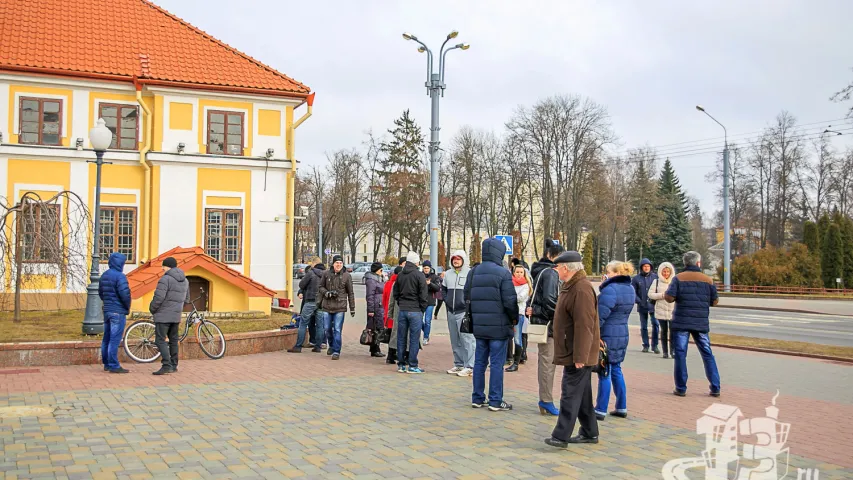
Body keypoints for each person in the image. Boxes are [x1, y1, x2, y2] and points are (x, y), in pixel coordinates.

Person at [544, 251, 601, 448]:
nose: (556, 270)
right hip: (574, 350)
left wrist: (580, 356)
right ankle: (589, 432)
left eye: (558, 267)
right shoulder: (572, 286)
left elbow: (585, 325)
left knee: (569, 393)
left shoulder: (581, 289)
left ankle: (561, 436)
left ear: (566, 268)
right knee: (582, 394)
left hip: (578, 353)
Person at [465, 237, 517, 411]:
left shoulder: (473, 272)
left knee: (479, 362)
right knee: (496, 363)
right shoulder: (503, 273)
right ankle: (495, 400)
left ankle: (477, 397)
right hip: (499, 325)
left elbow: (467, 296)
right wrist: (514, 319)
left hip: (479, 324)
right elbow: (510, 301)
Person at [665, 251, 721, 397]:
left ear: (685, 263)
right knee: (707, 353)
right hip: (701, 322)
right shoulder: (708, 280)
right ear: (698, 263)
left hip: (682, 322)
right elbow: (714, 301)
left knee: (681, 355)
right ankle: (715, 386)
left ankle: (681, 387)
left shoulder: (678, 278)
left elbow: (669, 298)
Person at [527, 238, 565, 416]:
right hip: (549, 325)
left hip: (545, 322)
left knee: (547, 362)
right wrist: (560, 316)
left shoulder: (543, 272)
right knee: (547, 363)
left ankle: (546, 399)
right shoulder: (550, 273)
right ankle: (546, 400)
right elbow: (550, 300)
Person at [594, 261, 635, 421]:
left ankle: (600, 409)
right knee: (616, 369)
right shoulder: (630, 288)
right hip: (622, 332)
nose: (606, 274)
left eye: (608, 272)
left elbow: (600, 315)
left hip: (608, 334)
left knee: (604, 371)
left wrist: (595, 335)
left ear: (616, 273)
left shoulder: (610, 290)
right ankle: (621, 406)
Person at [149, 256, 190, 376]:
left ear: (167, 266)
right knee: (173, 340)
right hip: (176, 315)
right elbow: (186, 299)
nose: (162, 268)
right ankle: (174, 365)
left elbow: (158, 298)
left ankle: (166, 365)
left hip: (163, 315)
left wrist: (152, 308)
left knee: (160, 340)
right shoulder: (185, 280)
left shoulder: (165, 279)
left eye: (163, 266)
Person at [441, 251, 475, 377]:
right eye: (454, 259)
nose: (456, 261)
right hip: (451, 311)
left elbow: (473, 290)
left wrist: (468, 305)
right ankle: (459, 363)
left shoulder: (469, 273)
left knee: (467, 339)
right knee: (455, 340)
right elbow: (443, 289)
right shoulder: (448, 274)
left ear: (463, 260)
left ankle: (470, 365)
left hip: (463, 312)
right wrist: (446, 300)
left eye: (458, 259)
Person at [393, 252, 428, 373]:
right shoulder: (419, 275)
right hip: (415, 310)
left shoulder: (400, 275)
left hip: (403, 310)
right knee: (414, 338)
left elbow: (395, 293)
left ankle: (401, 364)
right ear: (416, 262)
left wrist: (401, 303)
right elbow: (423, 295)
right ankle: (412, 365)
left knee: (401, 337)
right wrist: (422, 308)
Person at [98, 252, 131, 374]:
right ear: (120, 263)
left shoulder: (104, 275)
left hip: (107, 310)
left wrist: (107, 303)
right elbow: (125, 294)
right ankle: (113, 365)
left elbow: (101, 292)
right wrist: (127, 307)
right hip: (117, 311)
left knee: (106, 338)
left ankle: (106, 363)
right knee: (114, 339)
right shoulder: (120, 276)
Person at [318, 255, 356, 360]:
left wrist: (352, 308)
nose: (338, 265)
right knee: (327, 328)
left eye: (340, 263)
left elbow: (350, 293)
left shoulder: (346, 276)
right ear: (333, 264)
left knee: (338, 330)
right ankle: (331, 345)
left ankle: (336, 351)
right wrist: (327, 293)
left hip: (340, 307)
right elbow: (320, 287)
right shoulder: (326, 274)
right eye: (336, 263)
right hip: (327, 305)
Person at [290, 258, 325, 353]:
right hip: (321, 302)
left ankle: (298, 346)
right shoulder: (326, 274)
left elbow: (301, 284)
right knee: (320, 326)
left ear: (314, 264)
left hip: (310, 301)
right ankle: (318, 346)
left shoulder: (311, 273)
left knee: (303, 323)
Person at [506, 265, 531, 373]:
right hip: (507, 313)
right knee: (506, 337)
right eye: (517, 272)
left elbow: (521, 298)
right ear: (514, 273)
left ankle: (516, 363)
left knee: (517, 338)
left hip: (518, 314)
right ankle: (506, 358)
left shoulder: (526, 285)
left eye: (521, 272)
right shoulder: (509, 283)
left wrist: (510, 297)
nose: (519, 274)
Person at [647, 262, 676, 358]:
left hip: (672, 310)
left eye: (668, 272)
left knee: (673, 332)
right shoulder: (656, 282)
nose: (666, 274)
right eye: (664, 271)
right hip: (661, 309)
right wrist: (662, 295)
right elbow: (650, 294)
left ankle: (673, 351)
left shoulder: (674, 281)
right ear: (660, 272)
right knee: (663, 331)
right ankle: (665, 352)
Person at [632, 258, 660, 354]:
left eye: (648, 266)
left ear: (650, 267)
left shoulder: (655, 277)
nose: (646, 268)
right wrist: (639, 301)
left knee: (655, 325)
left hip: (653, 306)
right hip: (642, 306)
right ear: (641, 267)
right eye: (645, 266)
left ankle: (655, 345)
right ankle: (645, 345)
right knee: (644, 326)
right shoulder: (636, 279)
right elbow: (633, 292)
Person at [383, 261, 404, 364]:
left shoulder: (388, 283)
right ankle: (397, 355)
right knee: (397, 335)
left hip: (388, 312)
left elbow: (384, 299)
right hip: (396, 312)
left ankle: (390, 355)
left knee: (391, 335)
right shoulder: (399, 284)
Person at [364, 262, 386, 358]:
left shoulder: (378, 278)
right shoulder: (372, 280)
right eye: (381, 270)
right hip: (375, 307)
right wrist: (371, 310)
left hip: (379, 306)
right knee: (375, 328)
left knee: (377, 327)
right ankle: (375, 348)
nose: (382, 272)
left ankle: (374, 348)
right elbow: (370, 296)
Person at [421, 260, 442, 345]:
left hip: (430, 301)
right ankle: (425, 331)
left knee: (427, 320)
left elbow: (437, 288)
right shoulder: (420, 275)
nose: (426, 270)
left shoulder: (435, 277)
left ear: (430, 268)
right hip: (421, 301)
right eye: (425, 268)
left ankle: (426, 337)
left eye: (427, 268)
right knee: (419, 320)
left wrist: (430, 284)